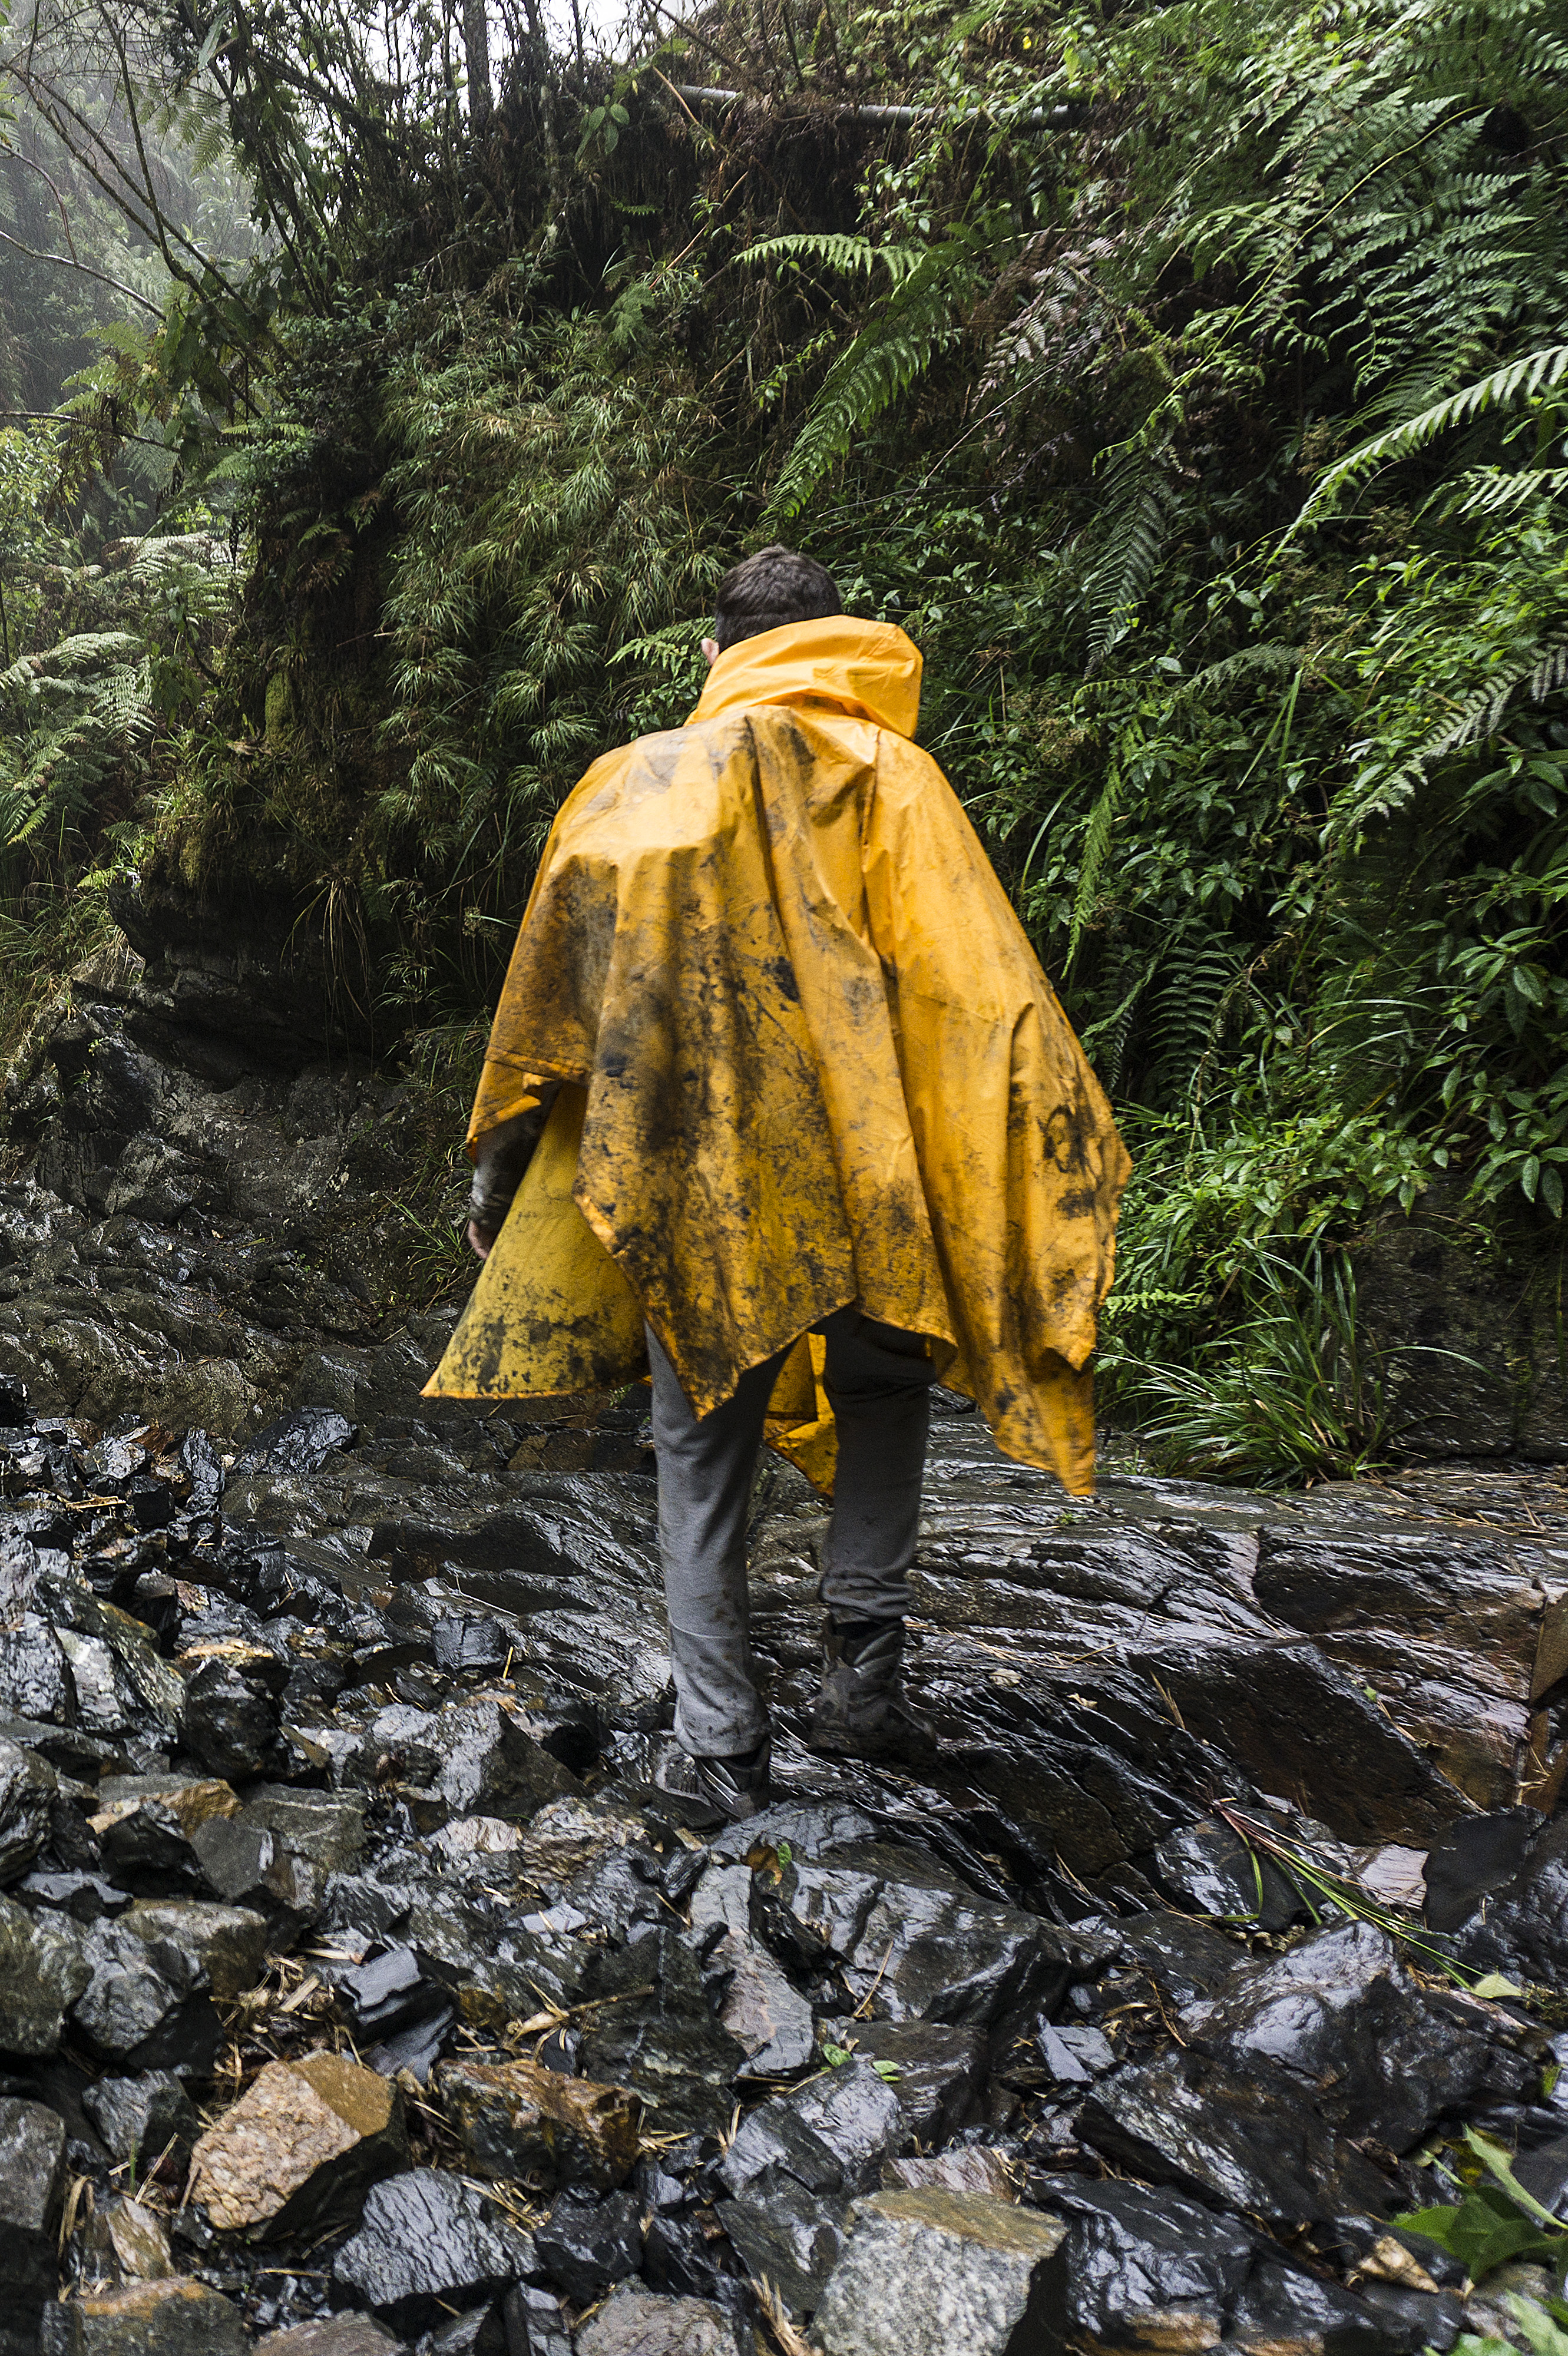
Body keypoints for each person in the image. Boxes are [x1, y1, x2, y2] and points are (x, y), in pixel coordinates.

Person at [427, 546, 1127, 1827]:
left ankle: (722, 1742)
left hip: (703, 1183)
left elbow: (556, 1014)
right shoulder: (898, 777)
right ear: (837, 645)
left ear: (713, 656)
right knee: (884, 1392)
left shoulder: (636, 783)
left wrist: (499, 1176)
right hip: (877, 1175)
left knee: (702, 1446)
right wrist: (1033, 1169)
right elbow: (980, 993)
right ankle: (866, 1690)